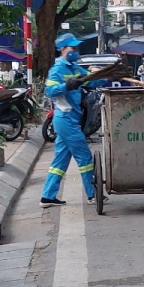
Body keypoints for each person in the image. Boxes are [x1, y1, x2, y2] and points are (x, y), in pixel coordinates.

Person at [41, 33, 95, 206]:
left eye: (77, 48)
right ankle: (93, 194)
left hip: (69, 118)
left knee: (60, 160)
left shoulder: (74, 67)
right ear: (63, 50)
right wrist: (67, 85)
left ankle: (47, 196)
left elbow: (89, 80)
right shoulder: (58, 69)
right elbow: (49, 91)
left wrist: (107, 76)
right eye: (73, 48)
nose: (76, 51)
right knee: (85, 157)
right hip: (65, 118)